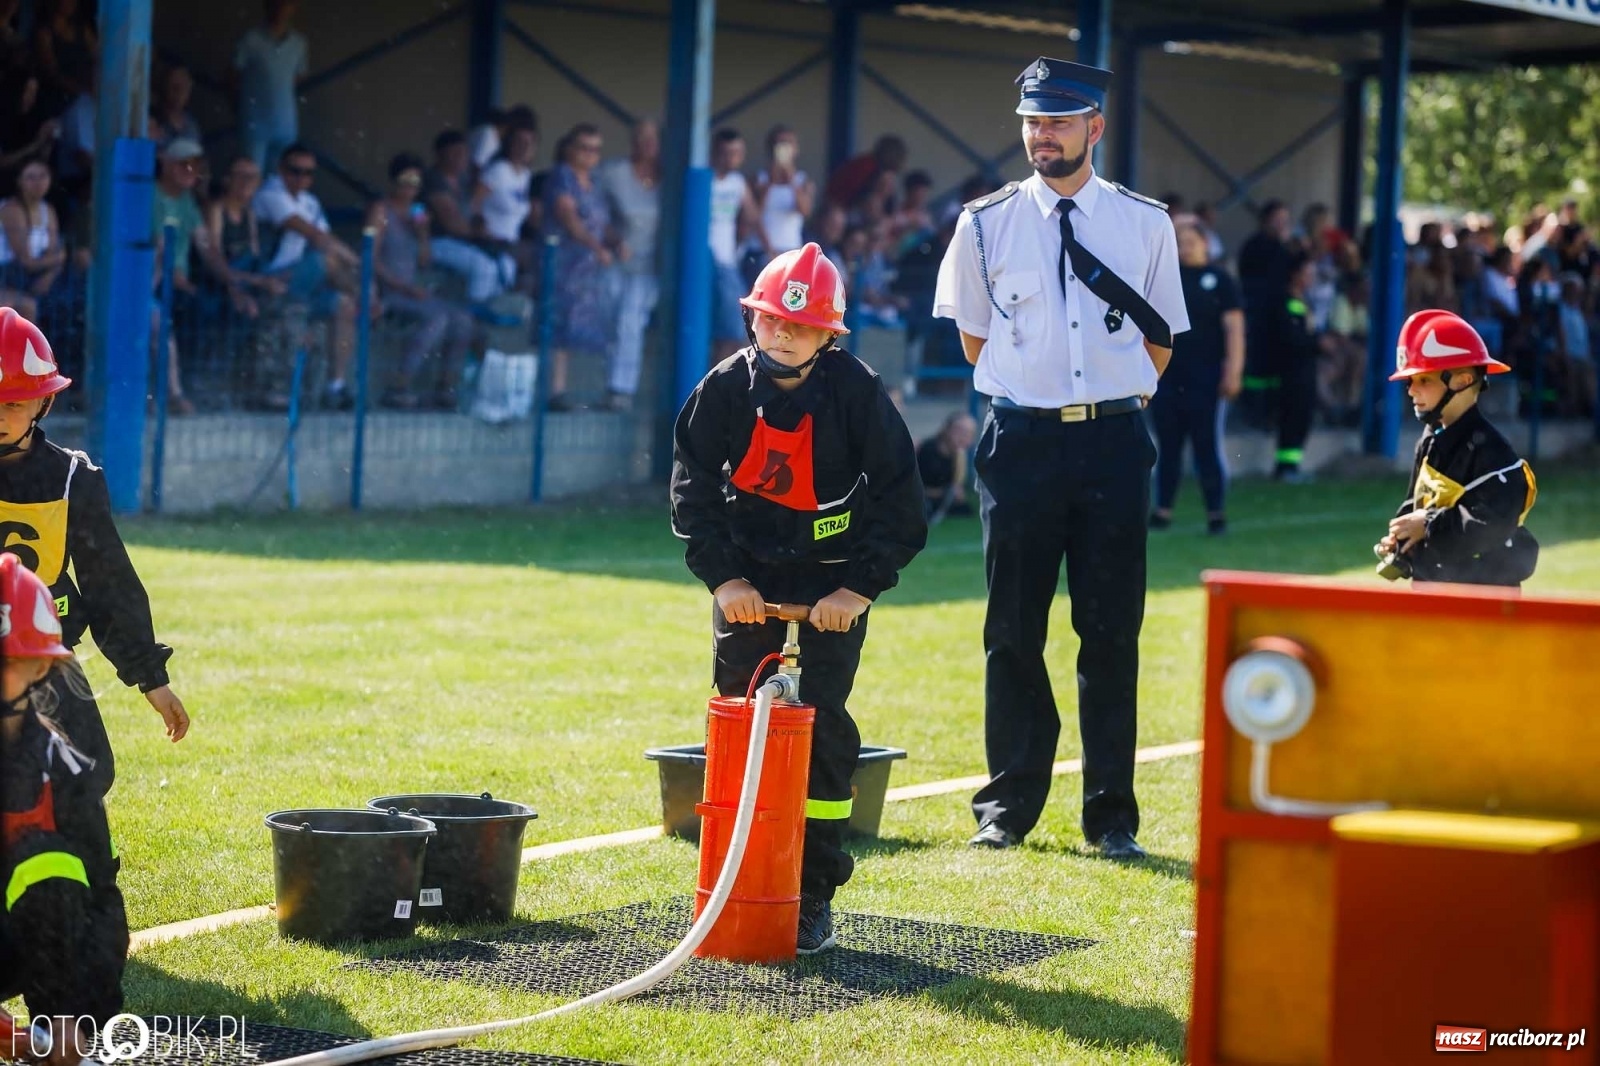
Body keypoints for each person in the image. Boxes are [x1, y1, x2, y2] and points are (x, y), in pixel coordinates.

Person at [933, 57, 1188, 860]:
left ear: (1094, 128)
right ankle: (1005, 807)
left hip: (1112, 442)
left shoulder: (1145, 222)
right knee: (1012, 630)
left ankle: (1111, 817)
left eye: (1058, 121)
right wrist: (1035, 395)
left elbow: (1161, 339)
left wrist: (1110, 400)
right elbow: (973, 336)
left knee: (1111, 632)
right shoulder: (984, 222)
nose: (1042, 135)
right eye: (1032, 123)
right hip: (1022, 441)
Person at [671, 243, 926, 954]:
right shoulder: (721, 390)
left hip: (832, 580)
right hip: (747, 578)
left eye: (801, 325)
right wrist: (725, 580)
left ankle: (813, 889)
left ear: (828, 335)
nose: (782, 333)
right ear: (753, 320)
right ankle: (729, 874)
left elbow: (902, 505)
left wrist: (857, 587)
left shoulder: (858, 394)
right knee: (735, 723)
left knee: (821, 728)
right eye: (771, 321)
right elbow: (692, 491)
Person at [0, 309, 190, 801]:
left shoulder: (73, 481)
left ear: (43, 402)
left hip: (43, 658)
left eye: (14, 404)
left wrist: (150, 677)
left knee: (90, 771)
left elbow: (109, 584)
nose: (0, 417)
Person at [0, 554, 128, 1063]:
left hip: (20, 938)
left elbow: (101, 904)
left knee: (46, 861)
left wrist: (71, 1015)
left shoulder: (64, 773)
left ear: (39, 666)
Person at [1378, 309, 1538, 588]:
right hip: (1430, 595)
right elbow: (1417, 505)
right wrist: (1402, 537)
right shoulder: (1428, 441)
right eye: (1410, 381)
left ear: (1462, 381)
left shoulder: (1495, 455)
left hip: (1481, 608)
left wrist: (1427, 525)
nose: (1411, 390)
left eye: (1424, 380)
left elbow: (1488, 527)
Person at [1149, 221, 1243, 534]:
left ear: (1205, 242)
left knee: (1206, 446)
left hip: (1206, 377)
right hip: (1168, 376)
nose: (1185, 247)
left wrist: (1234, 369)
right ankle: (1162, 510)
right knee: (1168, 446)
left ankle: (1216, 513)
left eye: (1191, 240)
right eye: (1180, 241)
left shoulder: (1220, 280)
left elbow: (1234, 328)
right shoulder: (1165, 279)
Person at [367, 153, 474, 410]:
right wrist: (400, 286)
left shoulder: (417, 213)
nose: (411, 187)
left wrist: (423, 234)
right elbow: (370, 257)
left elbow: (424, 261)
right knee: (437, 318)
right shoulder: (381, 211)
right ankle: (399, 385)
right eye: (406, 180)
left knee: (463, 320)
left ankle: (445, 387)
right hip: (389, 291)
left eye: (417, 182)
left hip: (413, 290)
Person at [598, 118, 661, 413]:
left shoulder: (669, 177)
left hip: (652, 265)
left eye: (652, 138)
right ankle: (610, 383)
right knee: (611, 318)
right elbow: (596, 215)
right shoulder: (614, 173)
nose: (646, 144)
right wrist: (613, 240)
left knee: (630, 320)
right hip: (616, 259)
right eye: (641, 137)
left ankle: (621, 390)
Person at [231, 0, 309, 172]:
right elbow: (233, 76)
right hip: (254, 124)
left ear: (294, 7)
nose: (281, 8)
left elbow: (298, 77)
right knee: (250, 176)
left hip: (286, 124)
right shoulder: (250, 39)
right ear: (267, 5)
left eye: (286, 4)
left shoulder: (299, 43)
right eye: (277, 3)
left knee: (280, 180)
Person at [1264, 253, 1318, 481]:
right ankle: (1285, 468)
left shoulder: (1302, 301)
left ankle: (1291, 466)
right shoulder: (1287, 302)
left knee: (1301, 416)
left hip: (1304, 368)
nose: (1311, 278)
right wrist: (1317, 342)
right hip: (1292, 371)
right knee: (1292, 417)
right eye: (1307, 273)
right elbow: (1293, 338)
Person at [917, 411, 977, 520]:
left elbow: (957, 485)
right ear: (948, 429)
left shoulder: (959, 456)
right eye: (961, 432)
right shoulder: (926, 449)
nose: (965, 438)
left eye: (969, 434)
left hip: (942, 497)